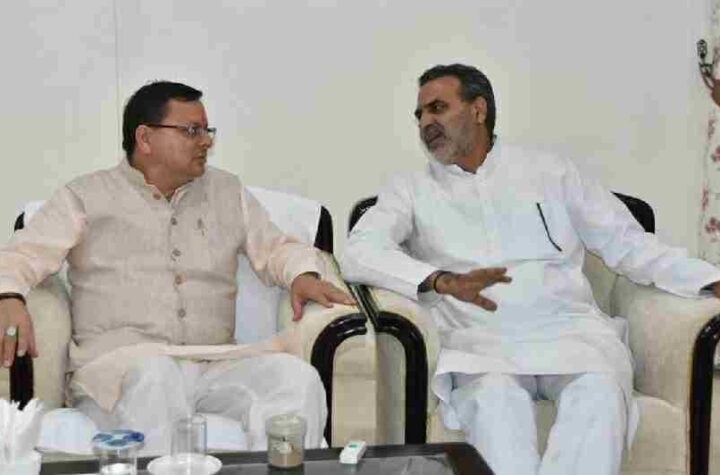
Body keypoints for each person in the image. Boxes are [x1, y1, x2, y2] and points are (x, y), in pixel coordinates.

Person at [341, 63, 720, 475]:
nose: (425, 123)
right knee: (496, 406)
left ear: (478, 110)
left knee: (599, 395)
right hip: (480, 343)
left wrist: (709, 278)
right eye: (420, 115)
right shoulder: (411, 189)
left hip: (570, 333)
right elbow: (359, 250)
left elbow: (627, 243)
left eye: (437, 108)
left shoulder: (551, 171)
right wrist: (438, 280)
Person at [0, 81, 354, 452]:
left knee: (295, 380)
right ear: (145, 138)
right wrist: (9, 295)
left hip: (214, 361)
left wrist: (302, 274)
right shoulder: (86, 197)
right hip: (123, 368)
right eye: (191, 131)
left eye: (207, 131)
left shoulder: (226, 191)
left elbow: (278, 248)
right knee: (156, 376)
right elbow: (22, 253)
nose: (206, 142)